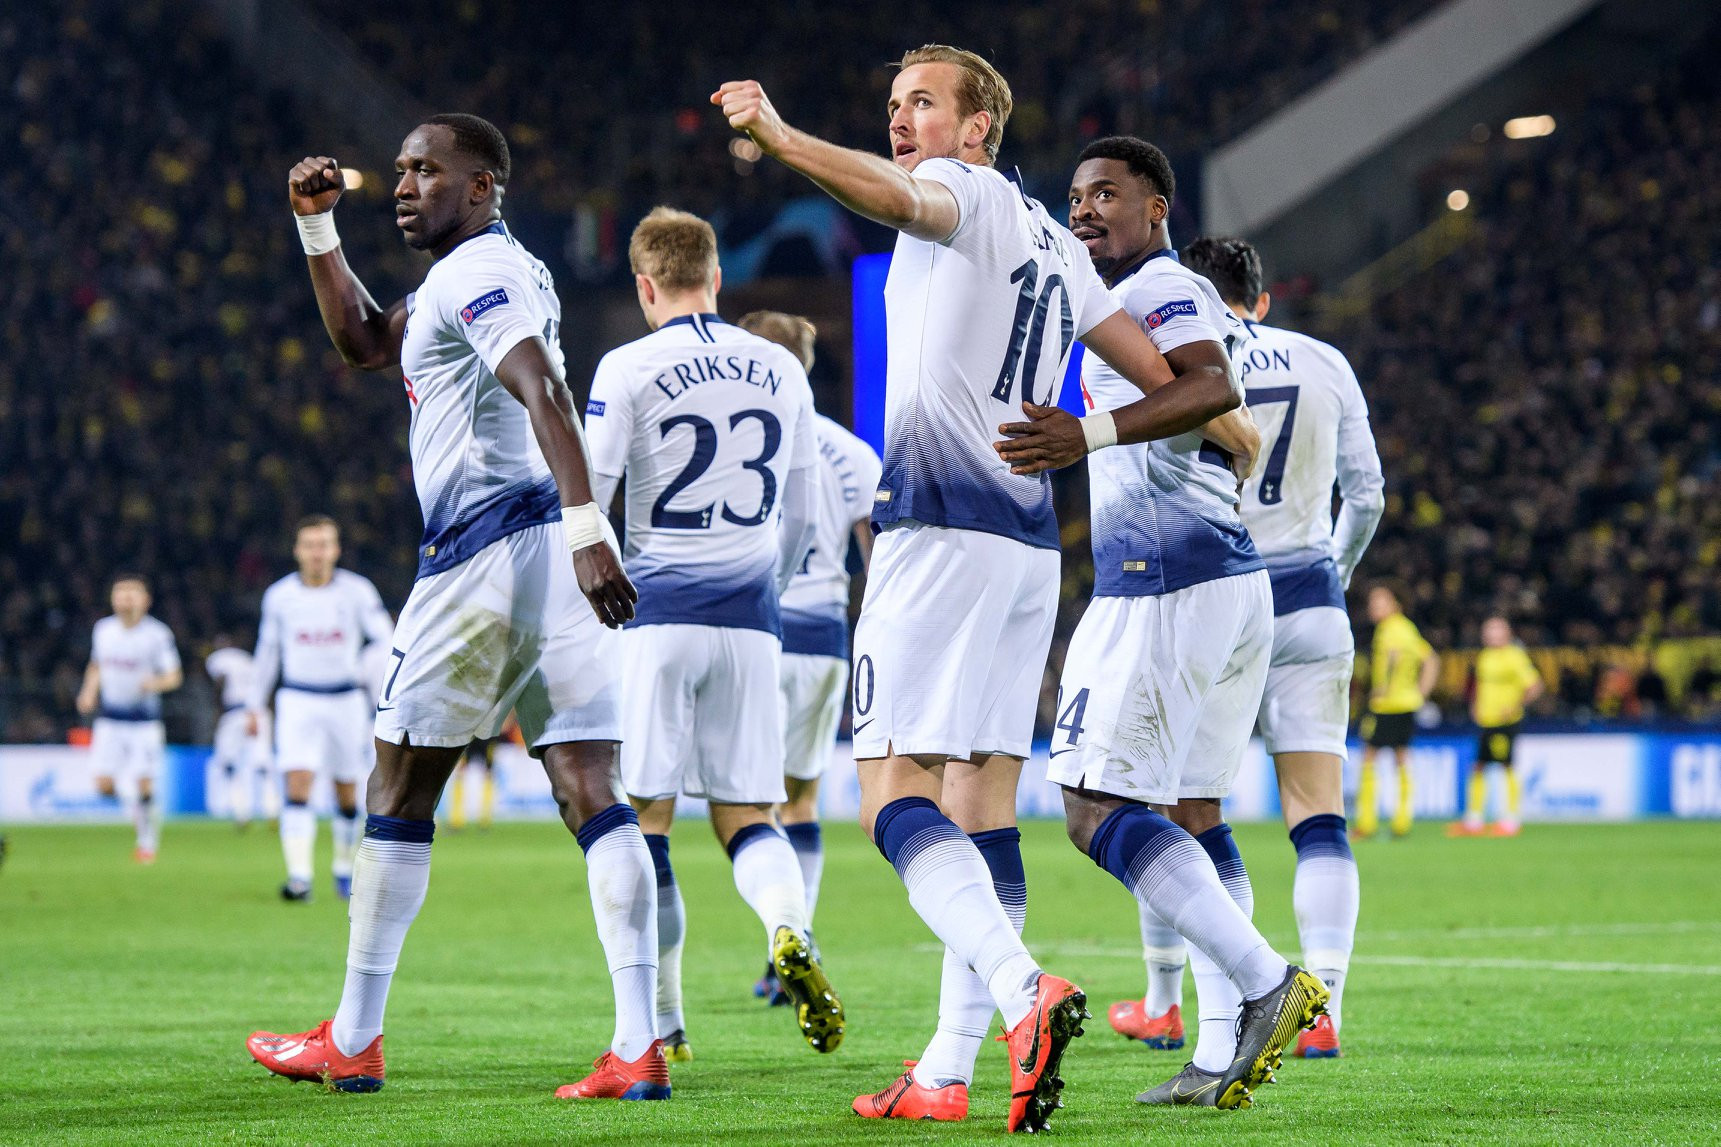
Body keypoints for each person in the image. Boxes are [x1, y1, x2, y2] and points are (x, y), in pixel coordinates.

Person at [716, 48, 1250, 1132]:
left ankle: (1021, 990)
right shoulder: (1055, 241)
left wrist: (780, 137)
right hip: (1025, 545)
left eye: (921, 102)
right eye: (891, 104)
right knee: (980, 804)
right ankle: (946, 1068)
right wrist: (1195, 430)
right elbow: (1169, 380)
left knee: (888, 793)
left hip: (935, 529)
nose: (900, 118)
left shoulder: (961, 191)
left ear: (976, 130)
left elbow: (892, 195)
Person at [245, 114, 663, 1103]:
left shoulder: (479, 273)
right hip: (549, 557)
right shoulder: (482, 273)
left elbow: (542, 386)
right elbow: (363, 342)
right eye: (398, 170)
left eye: (426, 170)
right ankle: (637, 1043)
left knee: (396, 788)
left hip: (486, 553)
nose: (402, 185)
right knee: (591, 786)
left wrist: (588, 526)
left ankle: (352, 1038)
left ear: (481, 187)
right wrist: (316, 225)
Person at [1012, 139, 1323, 1111]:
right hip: (1219, 580)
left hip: (1164, 584)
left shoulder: (1161, 284)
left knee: (1091, 806)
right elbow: (1218, 412)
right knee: (1193, 812)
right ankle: (1221, 1047)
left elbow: (1212, 385)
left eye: (1106, 192)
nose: (1084, 208)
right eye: (1075, 195)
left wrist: (1087, 432)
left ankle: (1266, 979)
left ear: (1157, 208)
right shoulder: (1128, 299)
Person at [1116, 235, 1383, 1062]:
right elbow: (1367, 495)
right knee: (1318, 817)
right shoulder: (1324, 361)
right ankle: (1323, 1004)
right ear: (1260, 299)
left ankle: (1168, 1002)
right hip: (1309, 598)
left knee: (1175, 808)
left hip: (1214, 598)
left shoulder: (1178, 359)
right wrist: (1332, 570)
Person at [584, 209, 835, 1063]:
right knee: (749, 814)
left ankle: (662, 1021)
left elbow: (591, 495)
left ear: (644, 286)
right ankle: (787, 927)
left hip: (657, 614)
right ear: (718, 278)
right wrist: (769, 584)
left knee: (645, 819)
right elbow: (801, 511)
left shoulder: (627, 365)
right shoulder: (779, 366)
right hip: (751, 621)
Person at [736, 310, 882, 1006]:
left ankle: (780, 936)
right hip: (825, 637)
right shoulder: (851, 453)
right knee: (801, 797)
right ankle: (798, 942)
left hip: (756, 629)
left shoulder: (744, 438)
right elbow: (877, 564)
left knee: (751, 803)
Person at [248, 516, 394, 901]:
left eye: (324, 544)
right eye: (310, 545)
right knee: (297, 782)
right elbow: (267, 652)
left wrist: (377, 678)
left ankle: (343, 868)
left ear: (336, 550)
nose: (317, 552)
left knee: (347, 790)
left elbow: (386, 640)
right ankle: (299, 877)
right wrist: (253, 704)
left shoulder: (358, 592)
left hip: (346, 699)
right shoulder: (280, 596)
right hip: (297, 698)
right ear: (297, 551)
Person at [76, 574, 183, 863]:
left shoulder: (157, 634)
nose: (125, 598)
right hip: (110, 719)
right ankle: (138, 805)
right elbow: (96, 665)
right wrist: (88, 691)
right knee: (103, 786)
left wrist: (154, 683)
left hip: (144, 721)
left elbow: (174, 676)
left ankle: (146, 842)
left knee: (145, 782)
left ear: (146, 600)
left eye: (132, 593)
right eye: (120, 592)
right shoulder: (103, 630)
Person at [1356, 583, 1439, 838]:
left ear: (1395, 604)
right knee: (1401, 758)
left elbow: (1393, 656)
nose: (1373, 606)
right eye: (1373, 601)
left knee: (1369, 758)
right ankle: (1402, 821)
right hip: (1406, 704)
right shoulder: (1407, 628)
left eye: (1380, 601)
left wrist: (1384, 687)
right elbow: (1431, 659)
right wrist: (1421, 694)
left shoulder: (1390, 629)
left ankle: (1366, 823)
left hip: (1387, 705)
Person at [1451, 616, 1543, 837]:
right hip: (1485, 721)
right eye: (1489, 629)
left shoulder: (1515, 656)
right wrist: (1475, 705)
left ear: (1507, 633)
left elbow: (1535, 686)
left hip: (1505, 722)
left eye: (1497, 629)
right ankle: (1474, 820)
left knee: (1506, 766)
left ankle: (1510, 820)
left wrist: (1515, 707)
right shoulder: (1484, 657)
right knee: (1478, 766)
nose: (1491, 633)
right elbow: (1481, 687)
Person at [206, 634, 274, 829]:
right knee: (262, 763)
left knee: (229, 763)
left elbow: (220, 682)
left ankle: (241, 811)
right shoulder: (249, 661)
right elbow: (264, 688)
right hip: (259, 712)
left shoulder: (218, 658)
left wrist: (217, 712)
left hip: (234, 712)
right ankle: (272, 808)